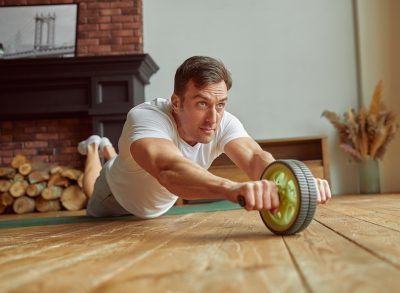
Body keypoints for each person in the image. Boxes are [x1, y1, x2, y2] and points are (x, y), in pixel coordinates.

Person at [78, 56, 331, 218]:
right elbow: (169, 169)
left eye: (221, 104)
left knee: (123, 160)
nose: (213, 118)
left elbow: (255, 157)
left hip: (150, 201)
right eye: (202, 104)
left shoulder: (222, 120)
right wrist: (231, 188)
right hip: (113, 198)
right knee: (92, 189)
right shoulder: (146, 117)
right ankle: (94, 148)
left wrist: (299, 182)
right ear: (176, 102)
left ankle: (110, 151)